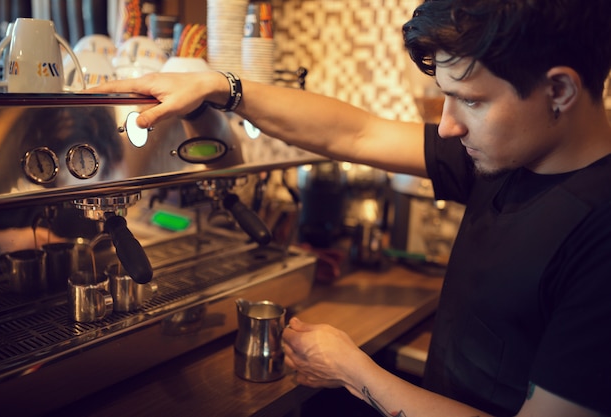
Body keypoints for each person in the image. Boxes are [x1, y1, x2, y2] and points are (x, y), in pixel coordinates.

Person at [89, 0, 611, 415]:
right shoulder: (515, 153)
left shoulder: (600, 235)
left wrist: (355, 373)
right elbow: (356, 133)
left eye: (471, 100)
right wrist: (223, 88)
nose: (449, 125)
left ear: (559, 90)